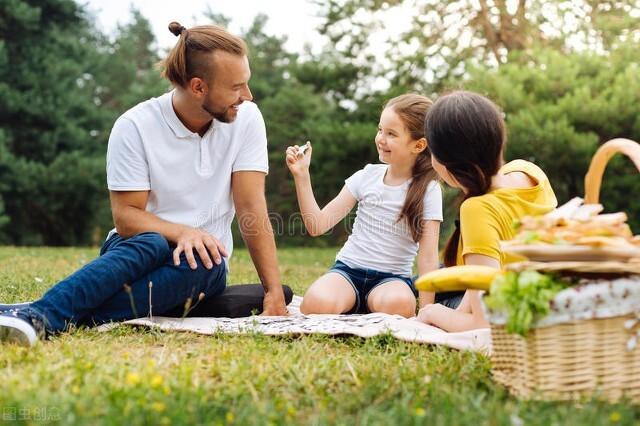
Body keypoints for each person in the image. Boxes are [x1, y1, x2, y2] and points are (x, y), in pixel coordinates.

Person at [0, 22, 288, 347]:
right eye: (236, 87)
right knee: (152, 242)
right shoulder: (135, 126)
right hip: (132, 253)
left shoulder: (247, 119)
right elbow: (126, 218)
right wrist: (183, 231)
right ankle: (41, 316)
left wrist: (274, 290)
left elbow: (251, 206)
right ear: (198, 87)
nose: (247, 96)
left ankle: (38, 315)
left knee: (210, 265)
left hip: (195, 269)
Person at [286, 94, 442, 318]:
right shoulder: (366, 176)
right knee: (316, 304)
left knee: (399, 305)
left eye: (391, 134)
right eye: (380, 130)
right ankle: (355, 304)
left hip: (392, 280)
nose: (381, 138)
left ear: (418, 145)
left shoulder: (429, 189)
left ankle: (365, 305)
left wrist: (426, 312)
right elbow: (317, 225)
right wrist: (302, 175)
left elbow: (428, 257)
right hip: (348, 271)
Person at [416, 90, 557, 331]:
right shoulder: (529, 171)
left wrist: (431, 313)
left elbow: (484, 323)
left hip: (513, 302)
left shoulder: (477, 209)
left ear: (445, 160)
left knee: (415, 287)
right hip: (534, 287)